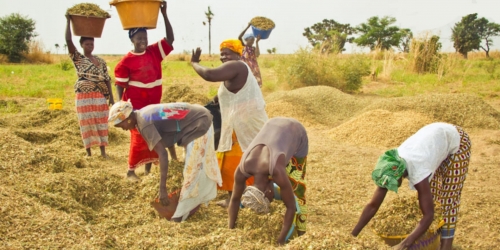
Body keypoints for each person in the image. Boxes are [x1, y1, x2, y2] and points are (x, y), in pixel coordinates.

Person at [351, 122, 471, 250]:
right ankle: (433, 242)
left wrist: (405, 243)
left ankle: (446, 247)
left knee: (447, 202)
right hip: (434, 140)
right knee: (434, 198)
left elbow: (428, 215)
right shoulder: (393, 162)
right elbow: (373, 206)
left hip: (456, 139)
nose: (389, 188)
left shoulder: (419, 171)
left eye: (392, 183)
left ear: (399, 175)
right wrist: (352, 236)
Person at [108, 100, 222, 222]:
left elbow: (162, 153)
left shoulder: (144, 123)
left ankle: (180, 215)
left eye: (121, 126)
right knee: (192, 168)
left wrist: (163, 189)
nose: (123, 129)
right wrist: (175, 159)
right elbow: (166, 134)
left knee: (192, 171)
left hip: (199, 123)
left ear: (127, 118)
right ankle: (191, 205)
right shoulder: (142, 114)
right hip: (198, 118)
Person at [190, 40, 268, 207]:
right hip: (236, 124)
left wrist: (194, 63)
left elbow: (209, 75)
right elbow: (225, 95)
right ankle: (235, 198)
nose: (223, 56)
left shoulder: (238, 66)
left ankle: (250, 197)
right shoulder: (233, 71)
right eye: (222, 53)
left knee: (245, 162)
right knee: (230, 164)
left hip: (245, 125)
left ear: (238, 54)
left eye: (227, 53)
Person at [114, 1, 176, 181]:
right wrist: (121, 105)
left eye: (145, 38)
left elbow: (170, 40)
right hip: (137, 105)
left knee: (153, 135)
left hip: (154, 103)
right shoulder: (127, 61)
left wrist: (164, 14)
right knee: (139, 137)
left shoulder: (154, 52)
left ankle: (148, 170)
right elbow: (120, 85)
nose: (143, 41)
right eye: (139, 38)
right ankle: (131, 171)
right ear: (132, 40)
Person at [228, 117, 308, 245]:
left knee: (296, 189)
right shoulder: (242, 169)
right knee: (283, 180)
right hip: (273, 123)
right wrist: (230, 230)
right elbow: (235, 199)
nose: (271, 203)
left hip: (295, 130)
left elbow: (291, 207)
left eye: (269, 201)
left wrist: (280, 240)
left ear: (269, 191)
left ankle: (302, 232)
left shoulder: (276, 170)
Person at [65, 15, 114, 157]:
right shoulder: (79, 59)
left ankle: (103, 151)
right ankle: (89, 153)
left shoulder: (100, 61)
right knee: (86, 122)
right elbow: (68, 40)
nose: (90, 46)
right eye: (87, 44)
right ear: (81, 45)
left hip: (99, 95)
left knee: (101, 121)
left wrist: (111, 97)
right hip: (83, 95)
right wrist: (68, 21)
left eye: (92, 44)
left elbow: (107, 80)